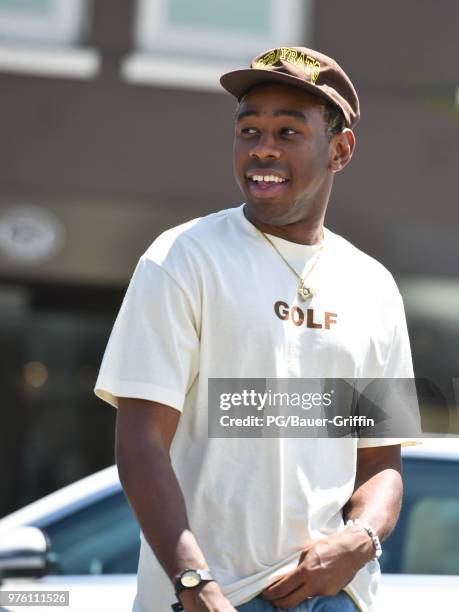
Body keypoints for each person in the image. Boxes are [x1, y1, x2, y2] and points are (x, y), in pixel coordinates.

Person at [94, 46, 417, 612]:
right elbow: (141, 442)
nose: (262, 148)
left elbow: (380, 463)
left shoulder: (374, 286)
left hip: (334, 594)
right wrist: (194, 582)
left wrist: (358, 541)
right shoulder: (182, 258)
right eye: (249, 130)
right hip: (207, 599)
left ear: (339, 149)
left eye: (289, 131)